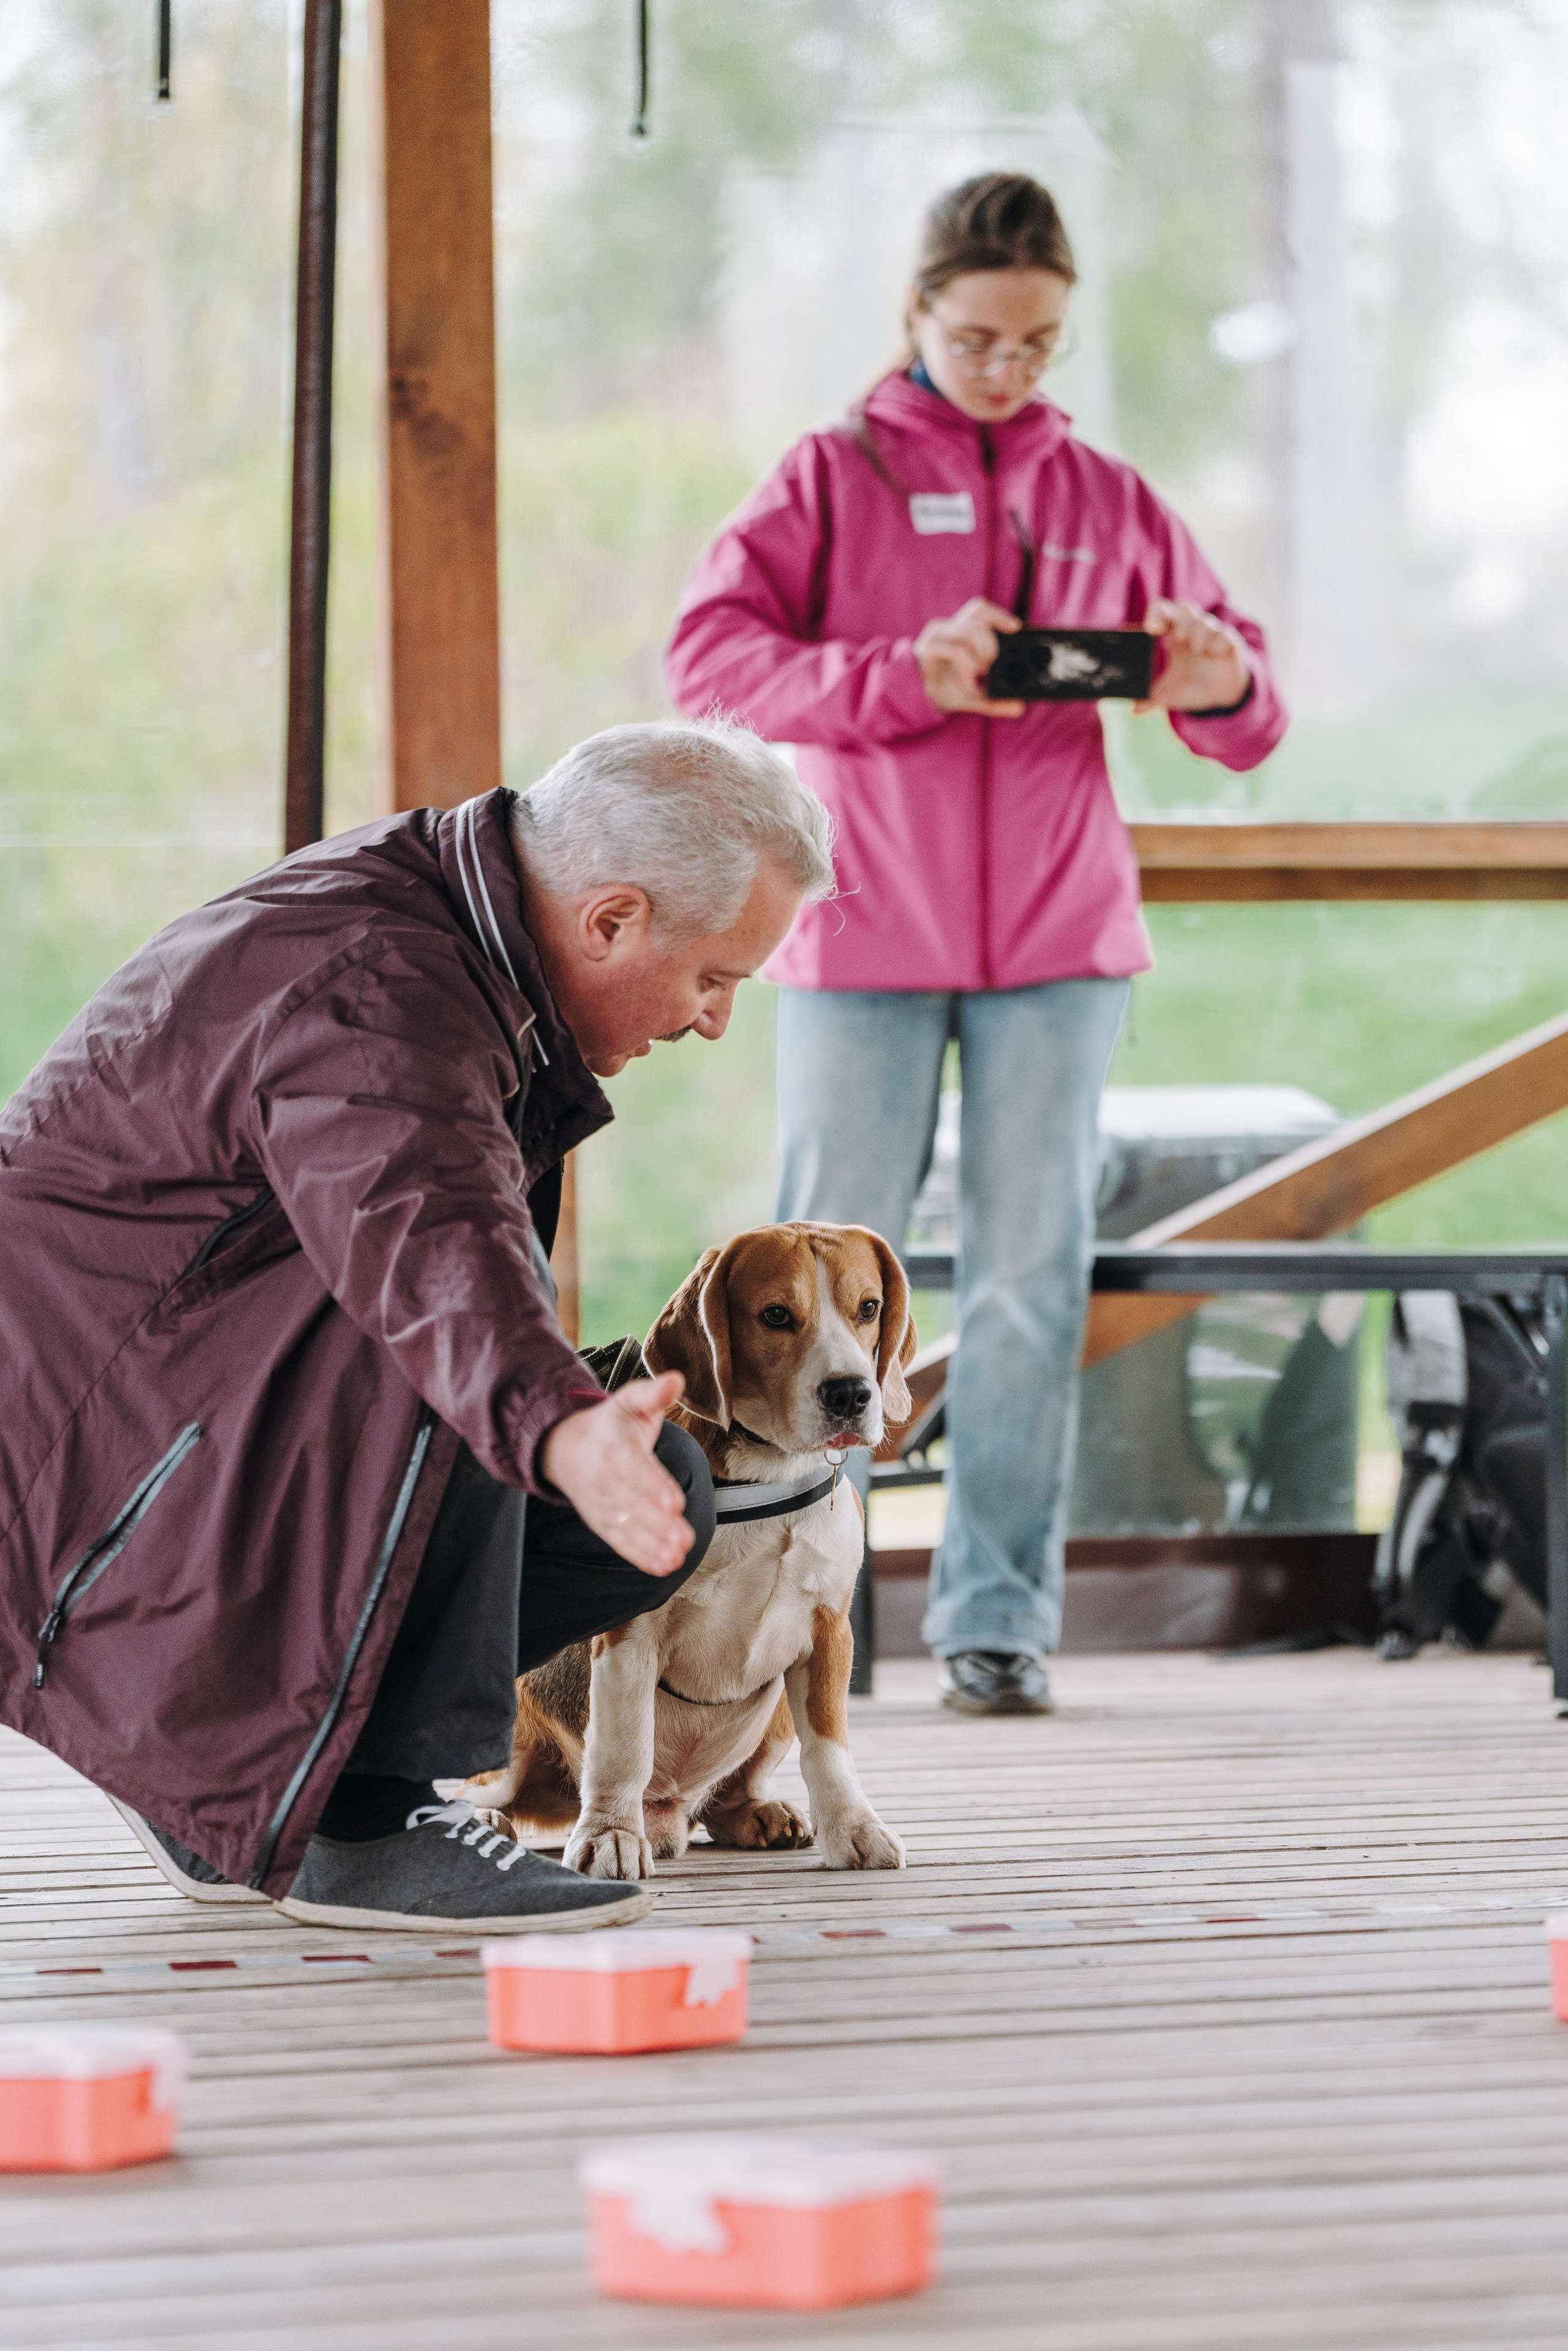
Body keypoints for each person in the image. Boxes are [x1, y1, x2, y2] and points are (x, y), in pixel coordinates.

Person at [0, 720, 833, 1930]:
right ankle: (358, 1817)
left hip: (179, 1420)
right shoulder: (381, 988)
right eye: (715, 977)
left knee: (655, 1490)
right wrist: (554, 1421)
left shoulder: (451, 917)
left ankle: (241, 1774)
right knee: (467, 1385)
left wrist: (568, 1426)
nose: (714, 1020)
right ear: (610, 919)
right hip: (89, 1468)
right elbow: (430, 1234)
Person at [667, 172, 1287, 1717]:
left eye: (1037, 343)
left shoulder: (1108, 496)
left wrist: (1211, 677)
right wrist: (900, 676)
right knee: (809, 1292)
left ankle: (995, 1619)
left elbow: (1249, 713)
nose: (1008, 367)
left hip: (1060, 948)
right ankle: (790, 1610)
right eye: (978, 339)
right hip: (864, 930)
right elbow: (708, 659)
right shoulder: (829, 474)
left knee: (1027, 1281)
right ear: (918, 315)